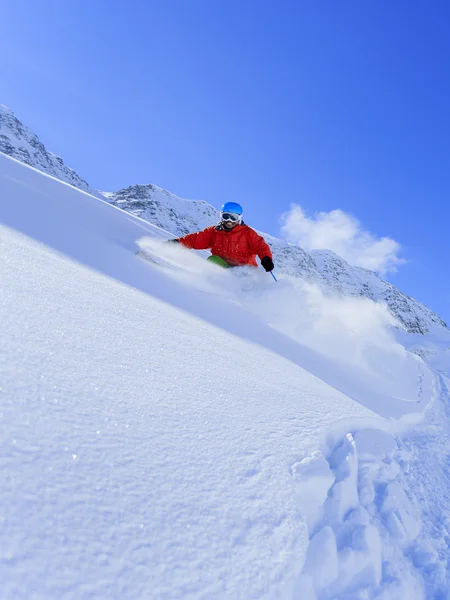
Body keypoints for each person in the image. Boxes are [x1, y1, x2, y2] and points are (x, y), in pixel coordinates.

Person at [167, 202, 274, 271]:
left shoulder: (247, 233)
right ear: (221, 216)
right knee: (212, 260)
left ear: (239, 218)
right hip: (224, 268)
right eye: (226, 216)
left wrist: (266, 258)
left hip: (245, 270)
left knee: (244, 275)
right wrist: (178, 242)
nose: (229, 221)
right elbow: (196, 239)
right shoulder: (214, 232)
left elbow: (261, 246)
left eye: (233, 217)